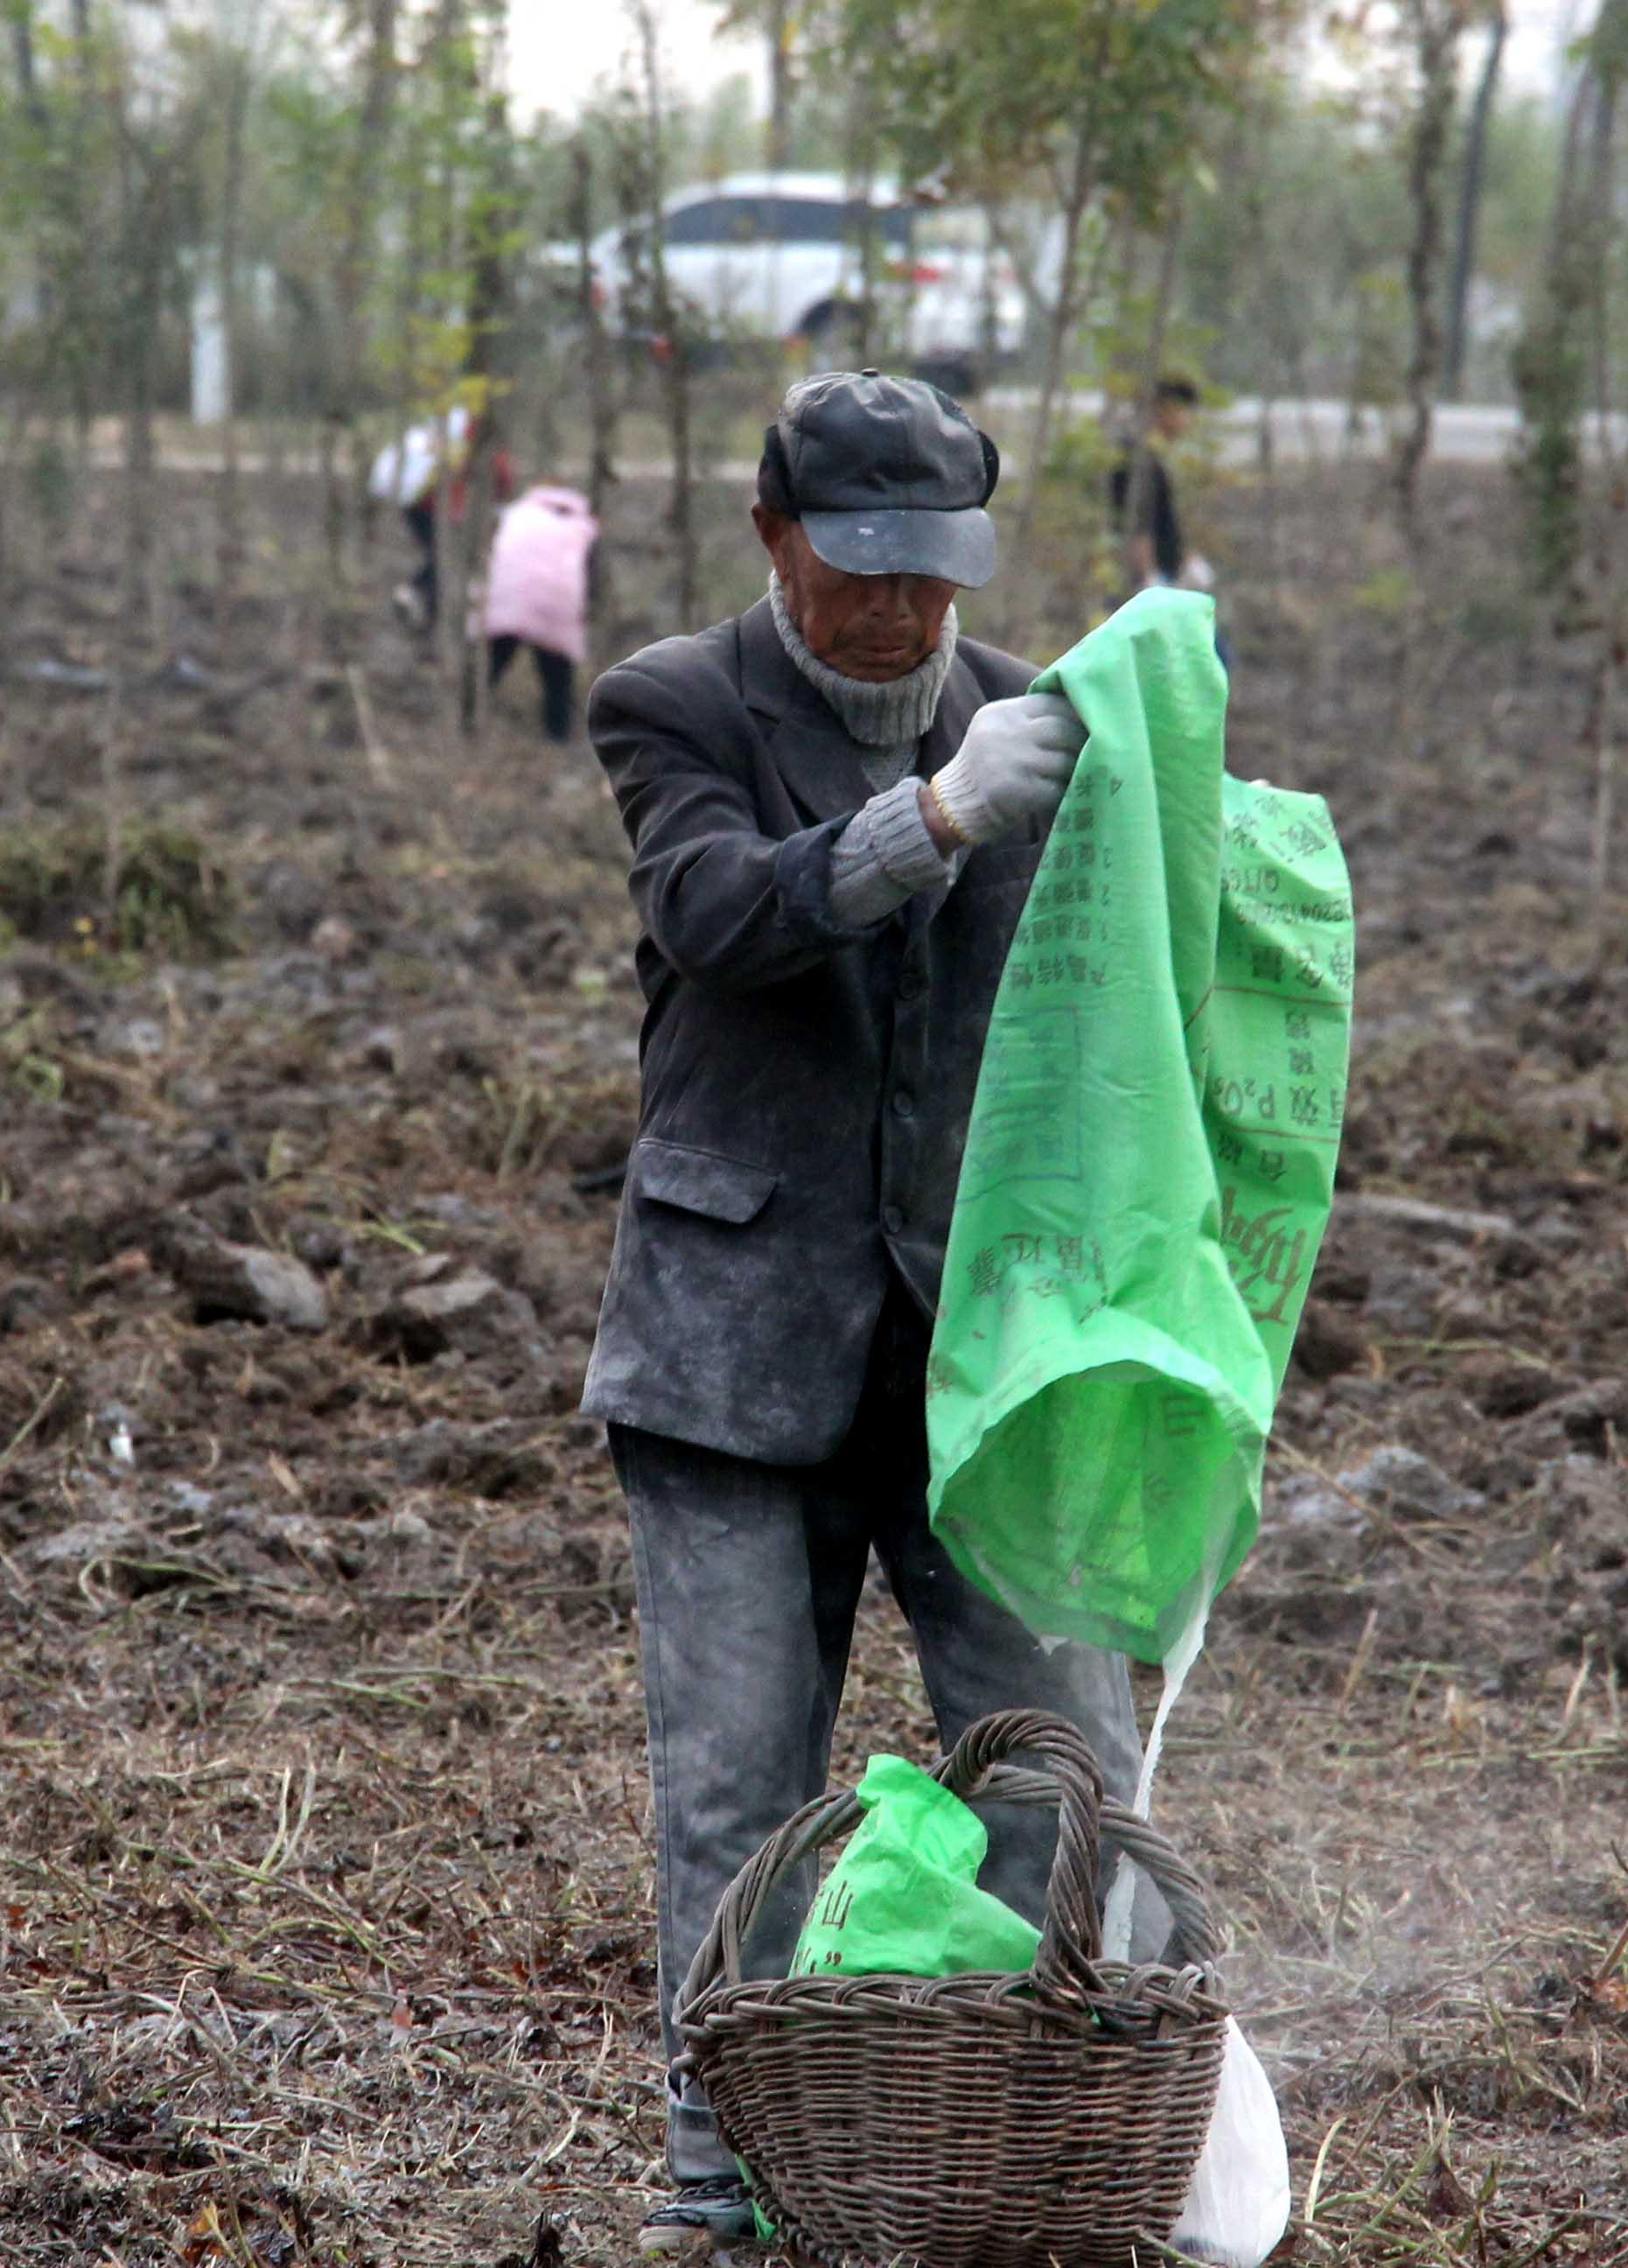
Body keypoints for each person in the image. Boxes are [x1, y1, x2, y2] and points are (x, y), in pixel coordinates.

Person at [580, 370, 1136, 2256]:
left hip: (977, 1362)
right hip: (734, 1354)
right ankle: (714, 2191)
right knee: (741, 1798)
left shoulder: (1038, 722)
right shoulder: (675, 702)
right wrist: (932, 820)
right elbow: (716, 910)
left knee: (1063, 1770)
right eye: (860, 565)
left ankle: (1045, 2168)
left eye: (937, 572)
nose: (902, 609)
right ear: (773, 539)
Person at [372, 403, 514, 631]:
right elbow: (502, 474)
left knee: (440, 558)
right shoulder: (475, 432)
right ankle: (422, 605)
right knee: (445, 559)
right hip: (440, 508)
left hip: (414, 503)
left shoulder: (443, 423)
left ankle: (419, 603)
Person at [478, 482, 600, 745]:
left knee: (494, 659)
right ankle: (558, 734)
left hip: (510, 596)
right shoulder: (582, 526)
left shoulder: (516, 514)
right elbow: (589, 574)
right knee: (557, 674)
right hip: (557, 603)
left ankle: (470, 714)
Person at [1109, 372, 1215, 596]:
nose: (1187, 421)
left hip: (1168, 574)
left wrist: (1187, 559)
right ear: (1163, 410)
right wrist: (1148, 576)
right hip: (1148, 581)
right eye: (1183, 411)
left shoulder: (1154, 460)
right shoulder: (1133, 460)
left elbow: (1164, 522)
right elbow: (1137, 523)